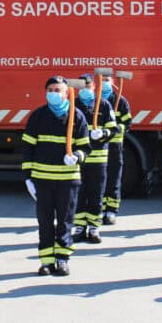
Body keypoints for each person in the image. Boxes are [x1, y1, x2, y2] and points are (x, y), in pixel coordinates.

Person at [22, 76, 91, 276]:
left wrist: (77, 156)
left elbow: (86, 147)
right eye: (50, 89)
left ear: (66, 92)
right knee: (44, 222)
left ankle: (62, 259)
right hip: (42, 180)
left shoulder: (76, 116)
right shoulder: (38, 116)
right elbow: (28, 147)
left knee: (65, 221)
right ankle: (46, 261)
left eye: (58, 90)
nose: (54, 93)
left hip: (68, 181)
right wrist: (28, 178)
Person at [72, 73, 118, 243]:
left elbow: (114, 130)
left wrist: (103, 133)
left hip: (98, 159)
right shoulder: (72, 106)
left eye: (88, 87)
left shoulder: (104, 105)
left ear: (93, 87)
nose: (86, 90)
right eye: (82, 87)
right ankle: (79, 226)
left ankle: (93, 227)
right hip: (79, 159)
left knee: (96, 195)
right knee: (79, 194)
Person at [100, 74, 132, 225]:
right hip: (98, 148)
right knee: (98, 180)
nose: (105, 83)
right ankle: (98, 209)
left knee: (113, 179)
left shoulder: (120, 100)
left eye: (107, 80)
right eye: (102, 80)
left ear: (112, 82)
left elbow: (128, 122)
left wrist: (120, 128)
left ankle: (111, 210)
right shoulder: (94, 101)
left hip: (114, 147)